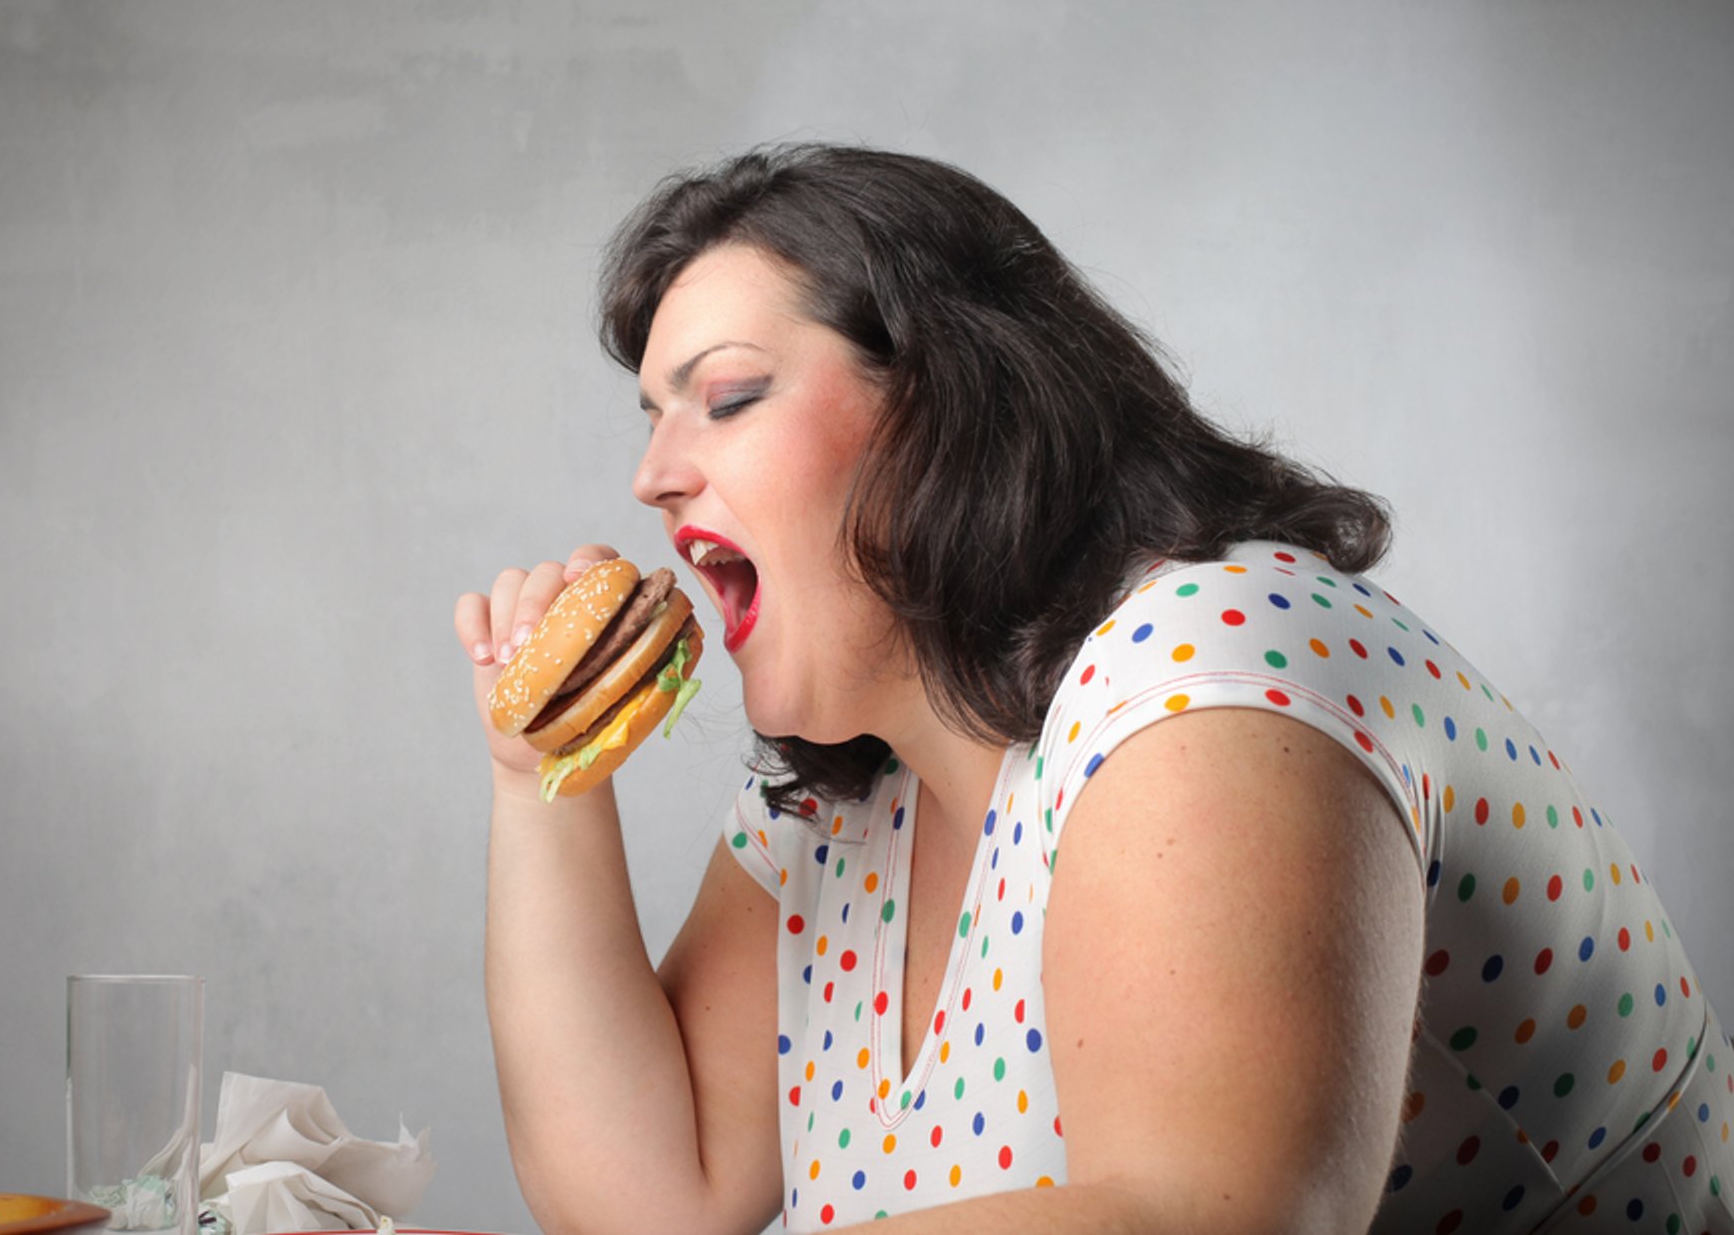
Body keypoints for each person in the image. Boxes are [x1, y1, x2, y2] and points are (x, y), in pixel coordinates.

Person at [453, 144, 1731, 1234]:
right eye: (651, 415)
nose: (652, 475)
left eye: (727, 396)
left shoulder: (1211, 659)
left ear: (951, 404)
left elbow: (1202, 1215)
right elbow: (647, 1201)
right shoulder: (847, 799)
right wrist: (539, 774)